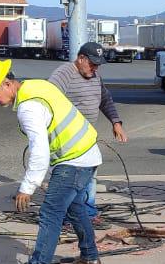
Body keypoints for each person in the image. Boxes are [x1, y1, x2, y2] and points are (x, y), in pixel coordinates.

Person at [0, 59, 103, 264]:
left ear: (6, 84)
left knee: (50, 214)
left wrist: (28, 187)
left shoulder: (28, 107)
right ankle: (90, 257)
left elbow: (39, 150)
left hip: (74, 160)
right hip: (87, 155)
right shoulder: (35, 86)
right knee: (75, 208)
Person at [48, 41, 127, 230]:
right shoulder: (64, 73)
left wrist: (116, 122)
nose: (95, 68)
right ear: (81, 58)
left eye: (98, 64)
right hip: (68, 138)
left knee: (90, 175)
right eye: (92, 64)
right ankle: (69, 217)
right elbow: (48, 98)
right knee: (71, 179)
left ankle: (88, 213)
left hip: (88, 136)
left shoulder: (95, 76)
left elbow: (105, 99)